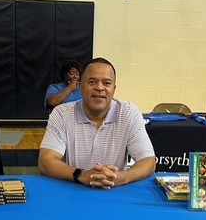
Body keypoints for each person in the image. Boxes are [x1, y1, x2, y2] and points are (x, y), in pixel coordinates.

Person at [39, 57, 156, 189]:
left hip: (115, 190)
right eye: (92, 82)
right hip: (74, 189)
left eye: (106, 83)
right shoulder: (62, 114)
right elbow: (45, 161)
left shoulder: (129, 113)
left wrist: (121, 177)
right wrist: (81, 175)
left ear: (114, 89)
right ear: (81, 87)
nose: (100, 88)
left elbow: (148, 161)